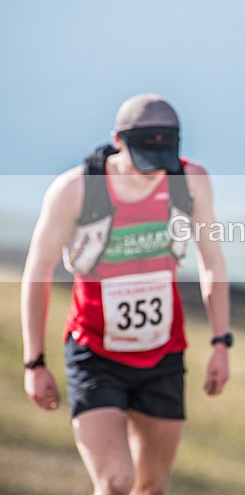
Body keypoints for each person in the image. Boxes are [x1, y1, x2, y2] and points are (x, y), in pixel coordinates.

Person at [21, 93, 232, 495]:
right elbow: (37, 273)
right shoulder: (74, 190)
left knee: (152, 487)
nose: (155, 171)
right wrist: (34, 362)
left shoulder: (191, 181)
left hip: (164, 353)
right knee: (116, 482)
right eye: (144, 160)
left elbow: (212, 262)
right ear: (118, 141)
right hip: (95, 352)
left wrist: (221, 342)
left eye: (163, 160)